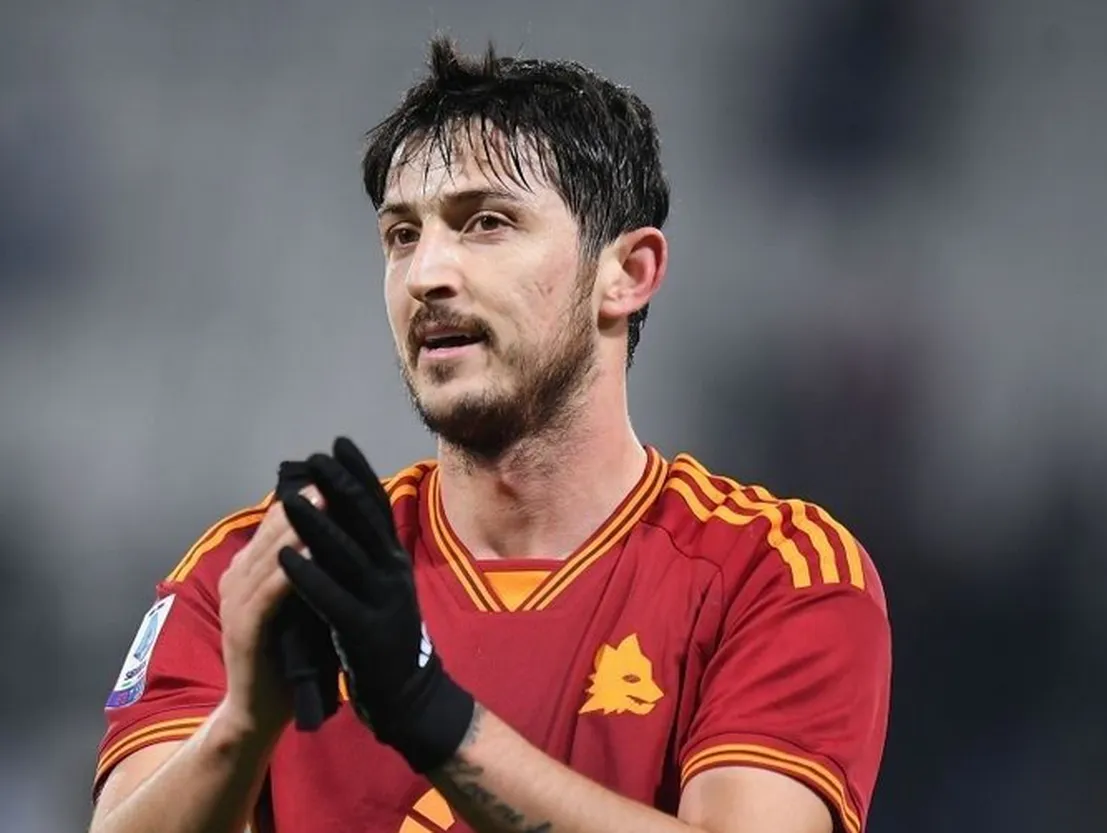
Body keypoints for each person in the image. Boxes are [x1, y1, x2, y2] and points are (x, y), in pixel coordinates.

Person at [89, 37, 891, 833]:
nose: (426, 275)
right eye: (402, 235)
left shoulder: (774, 572)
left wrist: (428, 710)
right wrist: (242, 722)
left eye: (486, 223)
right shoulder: (265, 571)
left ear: (628, 273)